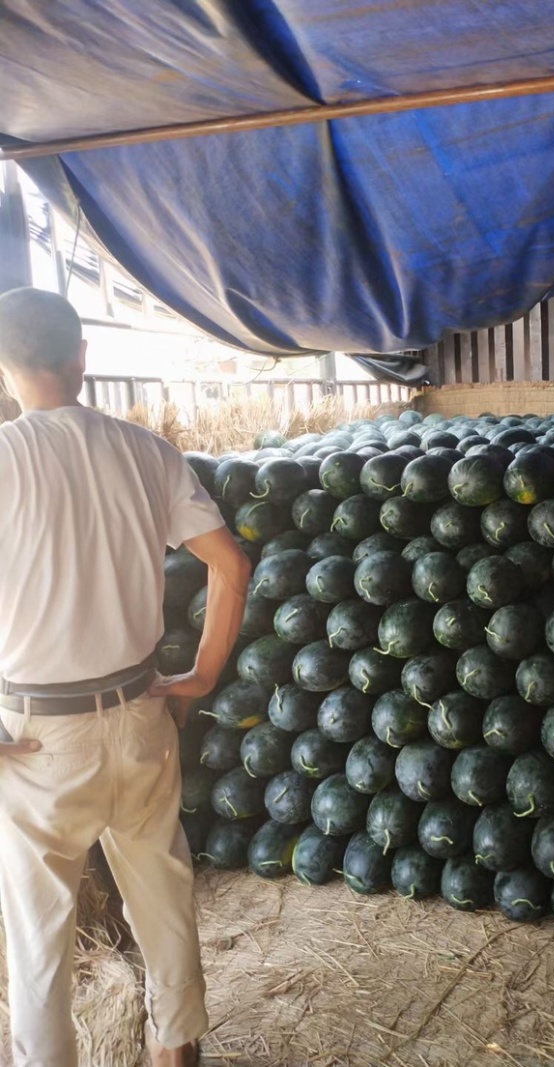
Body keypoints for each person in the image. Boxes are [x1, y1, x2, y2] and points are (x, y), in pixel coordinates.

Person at [0, 288, 251, 1067]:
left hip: (39, 742)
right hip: (142, 709)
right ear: (82, 357)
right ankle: (176, 1053)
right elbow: (231, 565)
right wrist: (201, 675)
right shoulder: (147, 453)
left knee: (41, 936)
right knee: (164, 898)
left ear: (6, 367)